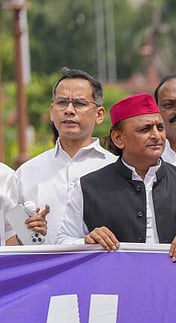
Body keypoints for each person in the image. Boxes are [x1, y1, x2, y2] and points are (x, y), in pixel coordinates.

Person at [58, 93, 176, 263]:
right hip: (115, 286)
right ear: (118, 138)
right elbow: (63, 241)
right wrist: (86, 242)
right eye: (145, 129)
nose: (156, 136)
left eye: (160, 128)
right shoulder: (88, 187)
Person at [16, 68, 116, 244]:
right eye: (62, 102)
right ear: (52, 111)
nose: (69, 110)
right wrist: (31, 233)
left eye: (79, 103)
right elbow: (17, 240)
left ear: (99, 114)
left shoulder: (116, 168)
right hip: (47, 269)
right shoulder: (25, 173)